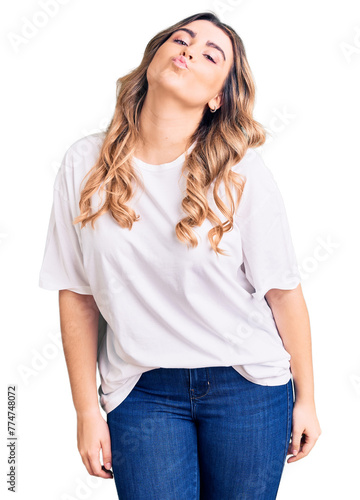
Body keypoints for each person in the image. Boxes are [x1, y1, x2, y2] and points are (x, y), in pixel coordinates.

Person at [38, 11, 321, 500]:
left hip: (247, 387)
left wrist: (308, 400)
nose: (189, 49)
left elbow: (284, 294)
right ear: (154, 58)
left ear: (217, 97)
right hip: (140, 391)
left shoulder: (241, 173)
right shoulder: (84, 164)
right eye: (181, 39)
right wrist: (86, 411)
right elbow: (77, 295)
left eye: (211, 54)